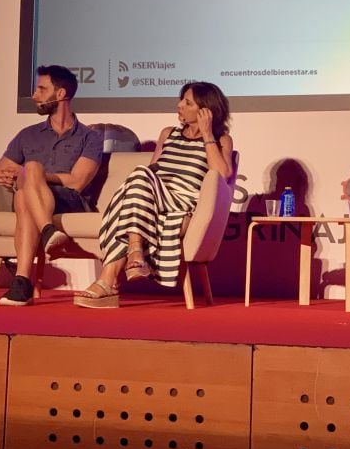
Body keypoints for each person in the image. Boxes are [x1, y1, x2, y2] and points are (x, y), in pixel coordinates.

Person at [74, 81, 233, 308]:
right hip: (155, 199)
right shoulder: (168, 133)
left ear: (205, 110)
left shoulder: (220, 140)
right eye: (181, 99)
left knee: (138, 179)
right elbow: (152, 171)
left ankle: (120, 268)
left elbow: (222, 174)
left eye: (187, 102)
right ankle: (117, 271)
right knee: (141, 177)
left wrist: (207, 133)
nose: (179, 105)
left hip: (183, 202)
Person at [0, 65, 103, 305]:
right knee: (22, 196)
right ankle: (26, 274)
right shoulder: (27, 134)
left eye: (41, 89)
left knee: (30, 172)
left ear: (60, 94)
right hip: (33, 201)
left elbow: (77, 181)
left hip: (70, 201)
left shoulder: (89, 137)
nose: (35, 95)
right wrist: (0, 172)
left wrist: (34, 174)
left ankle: (22, 282)